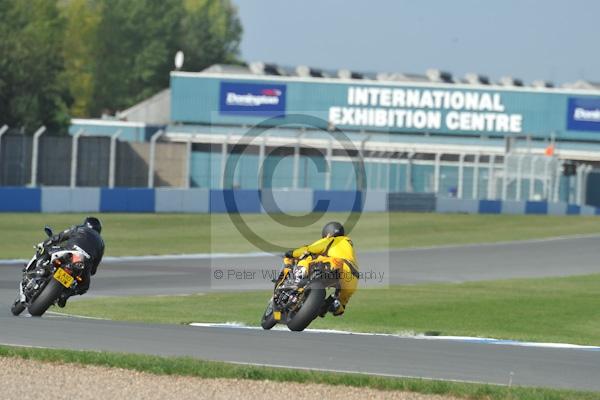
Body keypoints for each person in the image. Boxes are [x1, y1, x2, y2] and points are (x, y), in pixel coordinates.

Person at [284, 221, 359, 316]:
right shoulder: (348, 244)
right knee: (340, 303)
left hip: (335, 264)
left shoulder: (331, 240)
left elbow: (310, 249)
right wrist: (339, 309)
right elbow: (340, 312)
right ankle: (332, 305)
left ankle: (299, 276)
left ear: (328, 233)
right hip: (353, 277)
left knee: (309, 256)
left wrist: (292, 253)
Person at [38, 216, 105, 307]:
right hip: (83, 264)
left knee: (46, 249)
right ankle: (65, 295)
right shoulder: (101, 243)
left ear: (85, 224)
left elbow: (60, 236)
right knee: (84, 286)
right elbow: (94, 269)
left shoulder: (79, 228)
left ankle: (40, 268)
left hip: (68, 252)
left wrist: (46, 243)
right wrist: (89, 271)